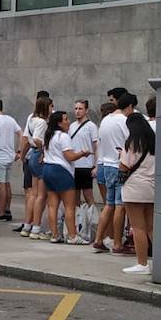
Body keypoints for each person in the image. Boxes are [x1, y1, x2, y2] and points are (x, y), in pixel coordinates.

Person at [93, 92, 135, 252]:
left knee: (109, 204)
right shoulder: (124, 121)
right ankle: (117, 243)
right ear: (130, 106)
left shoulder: (106, 120)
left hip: (106, 164)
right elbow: (131, 142)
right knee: (120, 206)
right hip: (119, 165)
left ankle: (98, 239)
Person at [39, 109, 88, 244]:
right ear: (59, 123)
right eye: (66, 119)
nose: (68, 121)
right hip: (61, 171)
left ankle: (54, 234)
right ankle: (72, 235)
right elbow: (69, 156)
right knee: (69, 206)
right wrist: (83, 153)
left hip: (48, 169)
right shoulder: (63, 137)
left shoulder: (48, 135)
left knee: (52, 205)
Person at [118, 114, 157, 276]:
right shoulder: (155, 143)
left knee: (138, 227)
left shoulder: (132, 143)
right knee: (151, 228)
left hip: (134, 187)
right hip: (152, 187)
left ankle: (142, 263)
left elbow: (124, 166)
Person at [22, 95, 51, 238]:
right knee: (41, 195)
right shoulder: (43, 122)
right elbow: (37, 139)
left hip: (32, 155)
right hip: (39, 154)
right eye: (51, 106)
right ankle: (36, 227)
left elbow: (28, 138)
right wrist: (44, 150)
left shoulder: (31, 119)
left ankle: (27, 225)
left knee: (33, 194)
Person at [69, 100, 98, 234]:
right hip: (74, 165)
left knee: (88, 196)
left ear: (86, 110)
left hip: (86, 166)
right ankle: (78, 224)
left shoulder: (91, 126)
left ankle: (93, 223)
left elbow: (96, 146)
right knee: (74, 196)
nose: (77, 111)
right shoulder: (71, 126)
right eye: (75, 108)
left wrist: (96, 165)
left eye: (80, 108)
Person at [0, 98, 21, 224]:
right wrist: (18, 150)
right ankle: (7, 209)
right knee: (7, 184)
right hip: (9, 156)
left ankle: (1, 212)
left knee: (0, 185)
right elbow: (21, 133)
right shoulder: (10, 119)